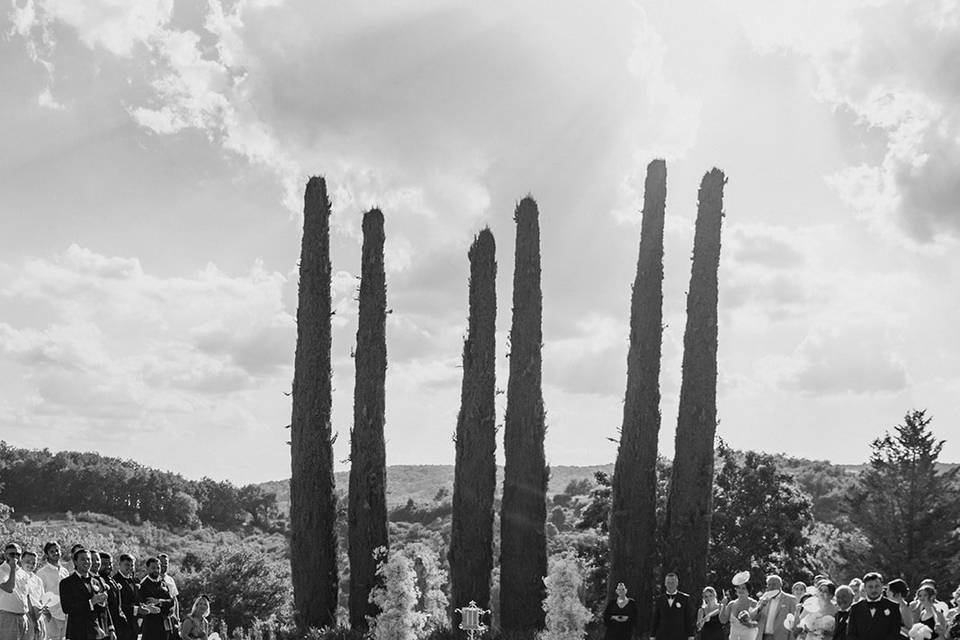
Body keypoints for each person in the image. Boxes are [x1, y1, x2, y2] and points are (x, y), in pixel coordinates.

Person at [59, 548, 115, 640]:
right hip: (78, 632)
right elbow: (66, 608)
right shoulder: (66, 583)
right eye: (83, 559)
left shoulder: (96, 581)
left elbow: (103, 609)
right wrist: (90, 602)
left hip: (97, 632)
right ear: (75, 562)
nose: (87, 562)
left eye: (88, 559)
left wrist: (110, 628)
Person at [847, 572, 902, 640]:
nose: (874, 590)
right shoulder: (856, 608)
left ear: (882, 586)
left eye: (877, 586)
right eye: (870, 587)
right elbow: (851, 634)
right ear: (864, 587)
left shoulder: (893, 607)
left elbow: (894, 634)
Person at [114, 554, 155, 640]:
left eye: (132, 565)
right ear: (120, 564)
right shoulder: (115, 581)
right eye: (127, 565)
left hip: (134, 626)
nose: (130, 567)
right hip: (121, 625)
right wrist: (137, 610)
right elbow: (116, 605)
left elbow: (136, 600)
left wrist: (146, 607)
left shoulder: (134, 580)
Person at [36, 542, 69, 640]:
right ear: (47, 554)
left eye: (57, 550)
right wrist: (46, 613)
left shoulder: (65, 571)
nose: (55, 553)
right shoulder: (42, 573)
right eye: (52, 551)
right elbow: (39, 595)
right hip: (51, 615)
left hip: (65, 614)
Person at [1, 543, 33, 640]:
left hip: (24, 617)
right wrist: (13, 569)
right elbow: (9, 588)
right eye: (11, 554)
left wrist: (33, 620)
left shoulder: (24, 573)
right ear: (5, 555)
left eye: (18, 555)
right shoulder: (1, 570)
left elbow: (26, 597)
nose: (15, 557)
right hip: (8, 618)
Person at [750, 574, 796, 640]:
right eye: (769, 585)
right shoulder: (763, 599)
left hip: (781, 637)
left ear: (780, 585)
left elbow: (793, 623)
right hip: (762, 637)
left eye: (774, 584)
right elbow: (752, 618)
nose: (771, 587)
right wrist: (760, 607)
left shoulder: (790, 599)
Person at [651, 572, 695, 640]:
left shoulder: (685, 598)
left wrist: (691, 635)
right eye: (668, 582)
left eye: (673, 582)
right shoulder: (659, 599)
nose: (670, 584)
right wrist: (652, 635)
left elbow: (688, 618)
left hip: (680, 635)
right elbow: (656, 618)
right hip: (662, 636)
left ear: (677, 584)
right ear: (665, 584)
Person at [139, 558, 175, 640]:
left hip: (165, 626)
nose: (156, 570)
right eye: (153, 568)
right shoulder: (143, 585)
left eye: (158, 568)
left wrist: (159, 601)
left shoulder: (163, 583)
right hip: (151, 627)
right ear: (147, 569)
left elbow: (171, 602)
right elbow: (144, 604)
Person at [21, 551, 49, 640]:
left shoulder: (38, 580)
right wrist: (34, 621)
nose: (31, 565)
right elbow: (26, 600)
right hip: (26, 618)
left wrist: (45, 613)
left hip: (39, 618)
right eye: (28, 562)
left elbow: (41, 600)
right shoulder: (18, 578)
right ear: (21, 561)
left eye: (34, 563)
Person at [723, 572, 758, 640]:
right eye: (738, 588)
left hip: (749, 637)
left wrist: (748, 624)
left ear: (748, 591)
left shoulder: (754, 603)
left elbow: (758, 623)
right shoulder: (731, 604)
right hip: (734, 637)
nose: (740, 590)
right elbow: (723, 620)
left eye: (743, 588)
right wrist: (723, 605)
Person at [158, 554, 179, 639]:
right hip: (160, 618)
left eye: (166, 563)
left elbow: (175, 599)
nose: (164, 566)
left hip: (172, 618)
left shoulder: (170, 580)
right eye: (162, 563)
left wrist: (177, 617)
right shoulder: (152, 579)